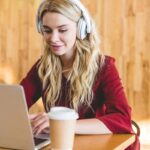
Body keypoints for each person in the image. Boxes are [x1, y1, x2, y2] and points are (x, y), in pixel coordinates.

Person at [20, 0, 139, 149]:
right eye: (47, 30)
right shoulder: (43, 67)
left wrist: (61, 124)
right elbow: (16, 105)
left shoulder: (104, 67)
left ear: (81, 28)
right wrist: (27, 118)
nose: (53, 38)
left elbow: (122, 119)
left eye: (62, 30)